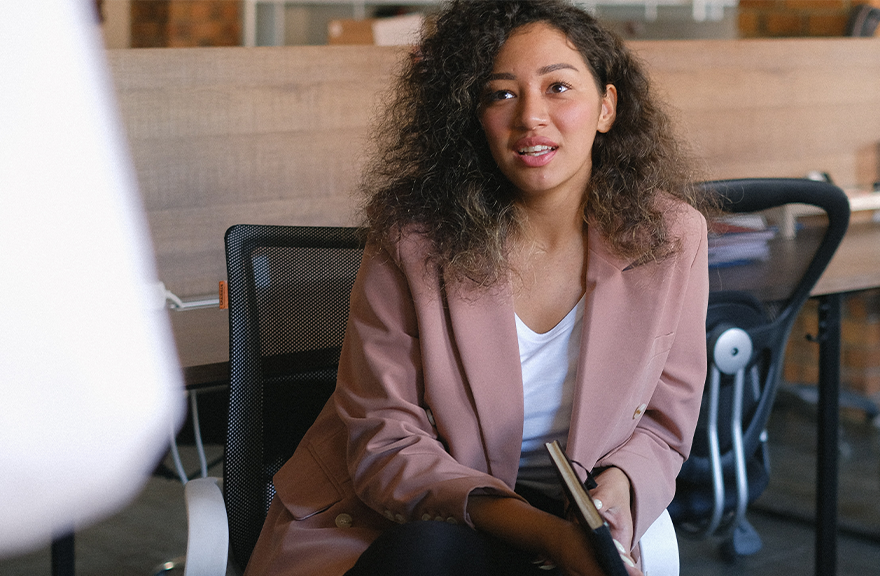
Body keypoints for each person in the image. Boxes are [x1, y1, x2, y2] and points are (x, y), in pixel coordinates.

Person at [245, 0, 711, 574]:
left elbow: (665, 424)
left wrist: (615, 494)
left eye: (559, 87)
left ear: (607, 108)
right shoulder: (412, 237)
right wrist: (543, 534)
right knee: (430, 555)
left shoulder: (670, 239)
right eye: (501, 94)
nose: (531, 117)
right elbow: (386, 442)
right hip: (408, 519)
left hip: (575, 524)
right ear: (473, 115)